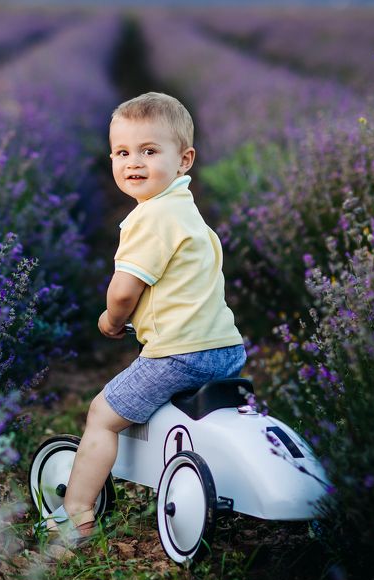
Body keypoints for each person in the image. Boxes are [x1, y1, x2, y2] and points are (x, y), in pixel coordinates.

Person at [38, 92, 246, 546]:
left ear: (184, 159)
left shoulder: (149, 219)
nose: (133, 163)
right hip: (225, 349)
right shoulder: (185, 209)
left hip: (179, 354)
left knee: (102, 415)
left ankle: (76, 511)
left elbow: (125, 288)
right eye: (122, 152)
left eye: (149, 151)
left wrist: (112, 320)